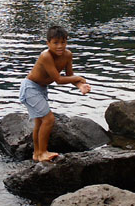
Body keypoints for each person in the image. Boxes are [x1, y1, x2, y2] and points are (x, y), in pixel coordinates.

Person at [19, 26, 91, 162]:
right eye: (55, 43)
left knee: (40, 122)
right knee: (48, 119)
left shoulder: (68, 55)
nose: (60, 46)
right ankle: (42, 152)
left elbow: (69, 76)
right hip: (30, 88)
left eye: (63, 42)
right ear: (48, 43)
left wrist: (80, 86)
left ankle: (37, 153)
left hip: (41, 89)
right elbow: (58, 80)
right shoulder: (45, 56)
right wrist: (79, 78)